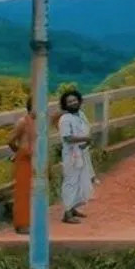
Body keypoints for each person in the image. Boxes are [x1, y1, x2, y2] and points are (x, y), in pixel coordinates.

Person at [58, 90, 96, 224]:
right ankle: (67, 213)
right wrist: (86, 139)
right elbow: (68, 138)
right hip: (71, 156)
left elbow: (85, 130)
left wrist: (86, 143)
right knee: (71, 182)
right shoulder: (65, 119)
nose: (73, 103)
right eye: (69, 101)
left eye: (74, 100)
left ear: (79, 101)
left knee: (80, 181)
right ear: (65, 104)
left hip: (82, 152)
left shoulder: (81, 115)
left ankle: (73, 208)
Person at [7, 101, 36, 235]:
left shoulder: (39, 122)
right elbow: (11, 140)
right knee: (22, 192)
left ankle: (32, 221)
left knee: (34, 192)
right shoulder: (23, 122)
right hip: (24, 159)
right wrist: (20, 153)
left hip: (37, 159)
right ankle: (22, 224)